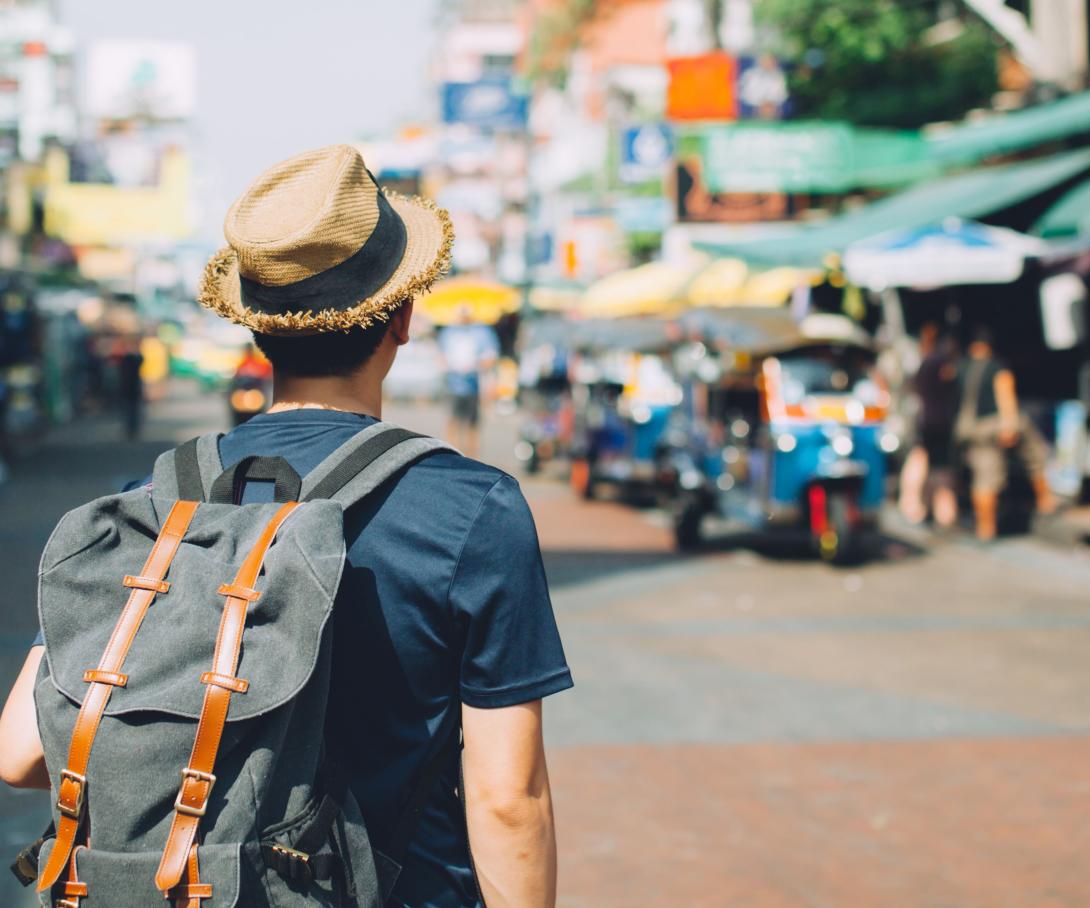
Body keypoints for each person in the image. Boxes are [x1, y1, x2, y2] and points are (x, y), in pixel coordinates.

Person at [0, 144, 571, 908]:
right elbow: (509, 798)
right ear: (402, 317)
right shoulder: (471, 508)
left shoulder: (151, 504)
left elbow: (20, 754)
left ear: (256, 329)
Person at [955, 327, 1055, 541]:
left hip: (969, 430)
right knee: (1035, 454)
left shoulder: (960, 367)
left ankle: (985, 528)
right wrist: (1009, 425)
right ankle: (1045, 499)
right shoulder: (996, 367)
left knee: (983, 476)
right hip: (993, 425)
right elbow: (1006, 395)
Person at [898, 324, 959, 528]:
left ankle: (920, 506)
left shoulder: (922, 363)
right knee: (937, 466)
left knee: (925, 462)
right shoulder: (938, 363)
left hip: (924, 420)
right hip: (937, 422)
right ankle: (939, 511)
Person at [438, 306, 498, 459]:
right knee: (453, 420)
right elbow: (440, 355)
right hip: (453, 382)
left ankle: (472, 457)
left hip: (473, 384)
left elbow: (491, 356)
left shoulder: (482, 332)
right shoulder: (448, 333)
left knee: (472, 423)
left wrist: (475, 365)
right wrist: (450, 365)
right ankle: (452, 455)